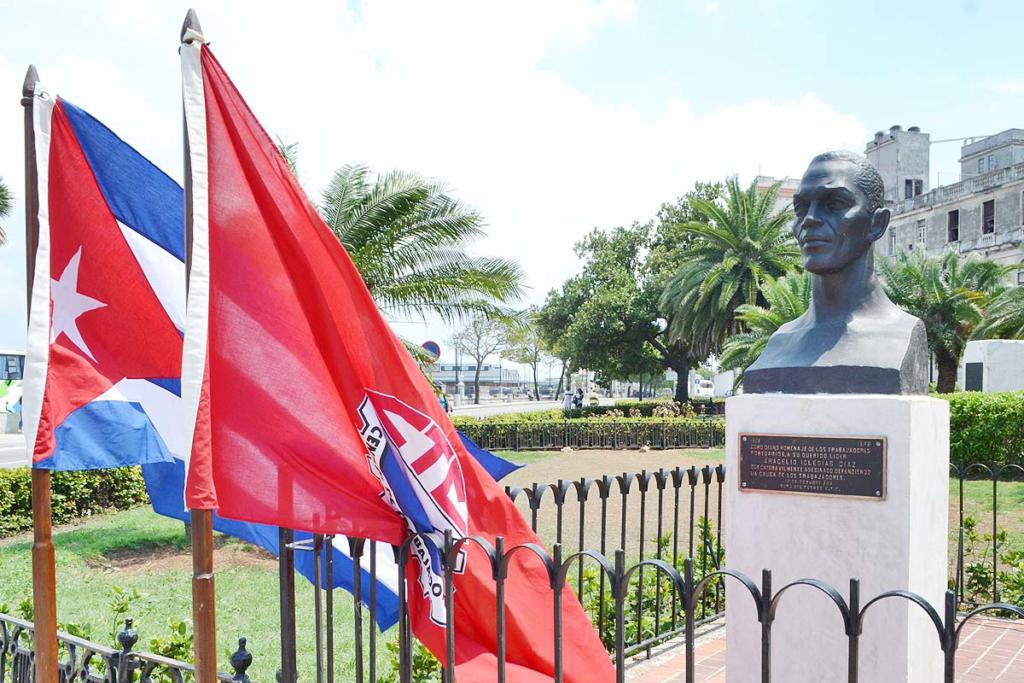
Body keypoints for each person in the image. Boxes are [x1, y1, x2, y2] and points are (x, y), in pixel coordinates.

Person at [742, 150, 927, 395]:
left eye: (835, 204)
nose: (809, 219)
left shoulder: (899, 336)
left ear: (877, 224)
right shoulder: (780, 343)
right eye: (801, 208)